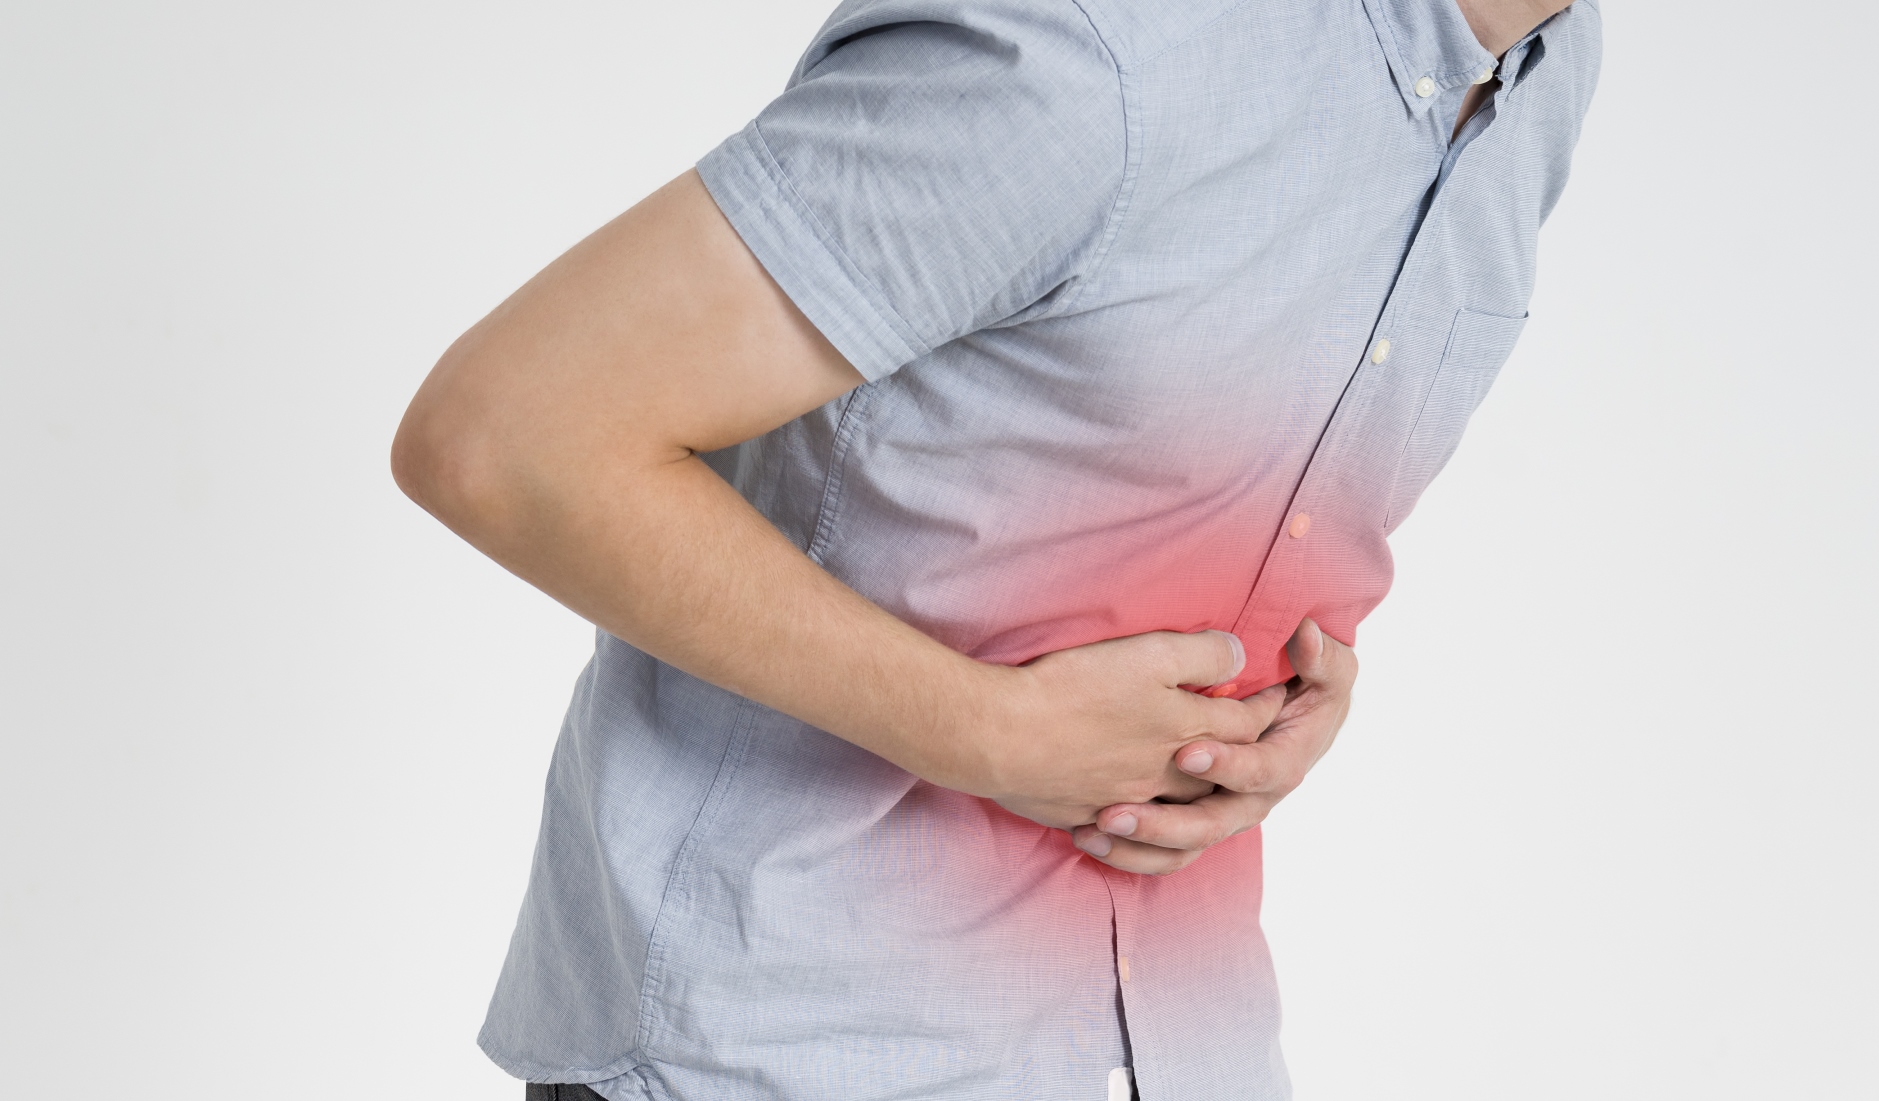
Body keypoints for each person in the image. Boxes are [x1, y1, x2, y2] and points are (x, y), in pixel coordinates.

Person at [391, 0, 1598, 1095]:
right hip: (784, 1044)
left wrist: (1278, 699)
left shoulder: (1542, 75)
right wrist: (986, 731)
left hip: (1182, 1039)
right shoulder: (1093, 46)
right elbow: (509, 437)